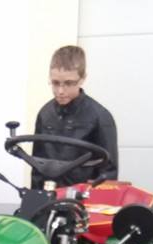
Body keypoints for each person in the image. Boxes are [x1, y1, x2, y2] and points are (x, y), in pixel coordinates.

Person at [31, 45, 118, 189]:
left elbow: (108, 175)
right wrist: (35, 198)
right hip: (48, 196)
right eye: (55, 83)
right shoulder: (45, 114)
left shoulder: (100, 117)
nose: (60, 91)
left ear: (82, 79)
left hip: (83, 198)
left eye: (68, 83)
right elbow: (37, 166)